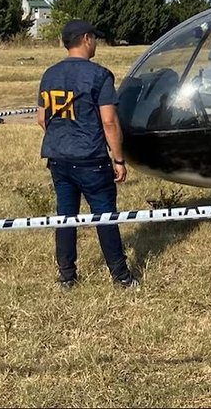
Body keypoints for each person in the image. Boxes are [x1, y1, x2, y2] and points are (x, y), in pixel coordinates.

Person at [37, 19, 137, 291]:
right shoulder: (99, 75)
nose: (96, 43)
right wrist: (118, 159)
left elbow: (41, 118)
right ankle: (121, 277)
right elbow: (109, 122)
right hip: (91, 160)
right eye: (94, 37)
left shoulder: (49, 74)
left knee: (65, 218)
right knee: (105, 217)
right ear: (85, 39)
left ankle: (67, 277)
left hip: (58, 158)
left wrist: (62, 136)